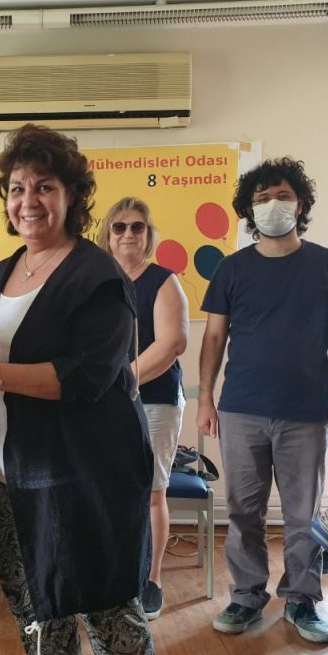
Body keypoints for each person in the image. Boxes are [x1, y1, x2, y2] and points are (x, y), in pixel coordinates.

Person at [0, 124, 159, 655]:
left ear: (72, 196)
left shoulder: (98, 277)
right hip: (7, 477)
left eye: (44, 187)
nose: (27, 200)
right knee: (34, 606)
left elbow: (86, 377)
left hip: (82, 479)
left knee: (109, 612)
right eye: (16, 188)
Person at [197, 157, 328, 644]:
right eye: (262, 198)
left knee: (303, 515)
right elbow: (213, 338)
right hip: (241, 408)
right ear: (249, 209)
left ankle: (302, 599)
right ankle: (247, 596)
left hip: (306, 410)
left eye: (283, 196)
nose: (273, 205)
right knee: (242, 512)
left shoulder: (326, 264)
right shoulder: (231, 268)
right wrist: (205, 399)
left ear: (300, 204)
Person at [98, 197, 188, 620]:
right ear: (107, 234)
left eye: (137, 226)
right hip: (101, 404)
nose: (128, 234)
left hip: (154, 402)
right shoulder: (96, 281)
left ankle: (150, 580)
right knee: (108, 492)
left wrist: (123, 380)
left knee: (151, 493)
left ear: (148, 234)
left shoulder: (163, 281)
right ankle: (116, 575)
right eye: (120, 227)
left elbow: (172, 344)